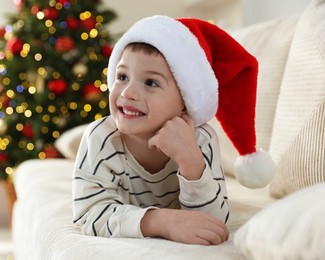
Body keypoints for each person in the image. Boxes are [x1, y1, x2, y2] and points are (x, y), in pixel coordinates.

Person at [72, 15, 275, 246]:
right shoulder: (100, 138)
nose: (127, 92)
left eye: (151, 82)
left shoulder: (201, 140)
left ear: (186, 102)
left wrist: (190, 161)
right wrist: (161, 221)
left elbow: (213, 224)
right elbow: (89, 213)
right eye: (122, 76)